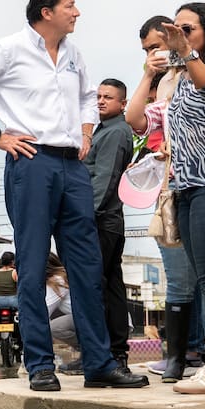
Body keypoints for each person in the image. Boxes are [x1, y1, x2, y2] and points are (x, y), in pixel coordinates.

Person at [0, 0, 147, 391]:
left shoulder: (74, 55)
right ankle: (40, 365)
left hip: (72, 166)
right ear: (46, 12)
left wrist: (87, 134)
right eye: (70, 5)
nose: (77, 12)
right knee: (34, 267)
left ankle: (99, 364)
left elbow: (88, 99)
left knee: (87, 269)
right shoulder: (9, 50)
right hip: (31, 162)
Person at [138, 3, 205, 394]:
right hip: (188, 189)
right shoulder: (179, 80)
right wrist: (151, 72)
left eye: (188, 27)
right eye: (176, 28)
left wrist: (185, 50)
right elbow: (140, 120)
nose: (179, 34)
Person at [125, 16, 205, 381]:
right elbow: (138, 121)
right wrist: (146, 75)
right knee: (182, 275)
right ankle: (186, 354)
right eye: (146, 50)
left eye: (156, 46)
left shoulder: (203, 72)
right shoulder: (161, 87)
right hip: (172, 188)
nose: (152, 54)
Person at [84, 78, 134, 370]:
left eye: (108, 97)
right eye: (99, 96)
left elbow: (105, 178)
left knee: (97, 288)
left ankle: (104, 354)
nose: (101, 101)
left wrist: (86, 217)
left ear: (122, 104)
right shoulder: (103, 130)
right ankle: (115, 354)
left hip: (101, 220)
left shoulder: (116, 132)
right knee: (111, 287)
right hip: (108, 220)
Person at [44, 254, 82, 374]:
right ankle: (91, 353)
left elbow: (44, 312)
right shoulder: (66, 274)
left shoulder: (57, 280)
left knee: (54, 327)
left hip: (98, 322)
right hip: (109, 320)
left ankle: (91, 353)